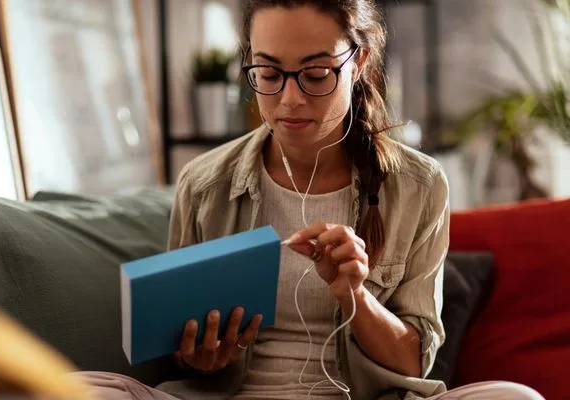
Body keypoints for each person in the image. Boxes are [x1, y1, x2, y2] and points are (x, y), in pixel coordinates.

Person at [73, 1, 545, 399]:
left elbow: (413, 362)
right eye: (268, 72)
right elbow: (182, 348)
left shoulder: (419, 185)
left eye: (316, 74)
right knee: (79, 389)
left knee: (513, 396)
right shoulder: (204, 183)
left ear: (358, 63)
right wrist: (201, 355)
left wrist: (354, 292)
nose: (290, 98)